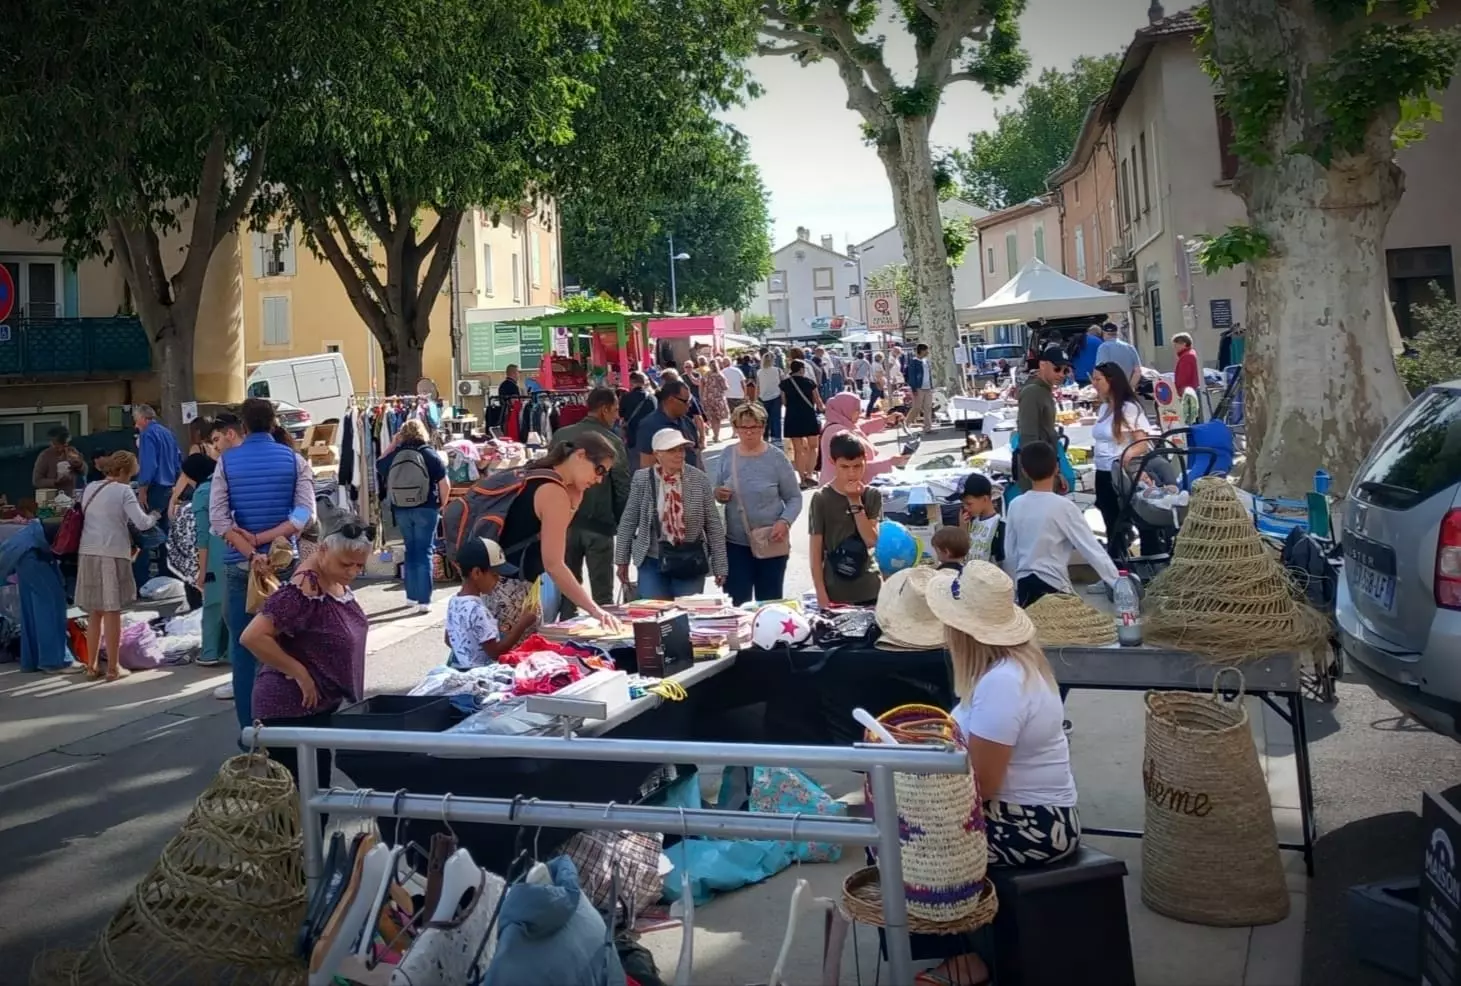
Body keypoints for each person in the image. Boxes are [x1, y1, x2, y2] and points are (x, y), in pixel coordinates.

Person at [921, 561, 1080, 986]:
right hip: (1038, 815)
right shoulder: (1010, 671)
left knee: (907, 844)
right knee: (905, 832)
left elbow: (983, 785)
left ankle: (962, 958)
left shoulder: (1001, 684)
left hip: (1034, 824)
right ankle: (961, 952)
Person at [240, 511, 372, 795]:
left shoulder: (329, 581)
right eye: (346, 564)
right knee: (304, 809)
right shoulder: (303, 589)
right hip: (290, 711)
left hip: (316, 711)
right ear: (323, 550)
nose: (352, 572)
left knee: (313, 801)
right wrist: (299, 672)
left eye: (359, 566)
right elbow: (252, 637)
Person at [210, 397, 318, 722]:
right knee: (286, 647)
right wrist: (268, 539)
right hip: (284, 566)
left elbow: (218, 521)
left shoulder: (226, 463)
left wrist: (250, 550)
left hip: (241, 566)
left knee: (244, 651)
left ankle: (250, 733)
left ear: (242, 427)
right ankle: (287, 724)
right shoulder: (294, 460)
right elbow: (304, 515)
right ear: (274, 424)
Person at [495, 431, 625, 630]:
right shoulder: (554, 493)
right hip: (511, 593)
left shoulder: (538, 475)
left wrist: (574, 502)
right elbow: (554, 565)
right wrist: (595, 610)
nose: (599, 479)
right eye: (599, 470)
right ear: (580, 455)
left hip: (498, 586)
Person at [76, 451, 160, 680]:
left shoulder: (91, 487)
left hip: (87, 552)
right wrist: (154, 516)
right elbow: (142, 524)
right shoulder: (124, 491)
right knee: (113, 612)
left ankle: (91, 666)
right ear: (125, 471)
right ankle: (113, 668)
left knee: (95, 611)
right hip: (112, 552)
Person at [1004, 441, 1119, 607]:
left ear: (1024, 472)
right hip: (1054, 584)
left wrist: (1013, 590)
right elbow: (1090, 548)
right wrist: (1116, 581)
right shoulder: (1064, 507)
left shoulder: (1015, 504)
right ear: (1057, 467)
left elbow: (1010, 552)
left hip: (1023, 585)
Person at [616, 429, 727, 600]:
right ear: (657, 454)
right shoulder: (642, 478)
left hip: (690, 560)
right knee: (654, 617)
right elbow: (629, 519)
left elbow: (713, 524)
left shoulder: (698, 479)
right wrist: (622, 560)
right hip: (652, 560)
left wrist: (720, 565)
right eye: (672, 450)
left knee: (687, 614)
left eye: (681, 449)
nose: (679, 455)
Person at [710, 402, 802, 605]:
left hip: (771, 540)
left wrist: (784, 522)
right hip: (735, 544)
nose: (749, 433)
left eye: (754, 428)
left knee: (769, 604)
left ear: (763, 427)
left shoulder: (776, 458)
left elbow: (794, 497)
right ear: (736, 428)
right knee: (737, 603)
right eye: (744, 428)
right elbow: (716, 490)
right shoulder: (727, 454)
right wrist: (719, 493)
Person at [552, 388, 630, 613]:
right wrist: (623, 527)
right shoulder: (612, 442)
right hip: (599, 524)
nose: (617, 416)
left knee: (567, 591)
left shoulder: (561, 435)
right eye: (615, 410)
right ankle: (604, 641)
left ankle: (566, 639)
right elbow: (622, 487)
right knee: (603, 596)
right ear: (604, 409)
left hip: (563, 523)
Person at [377, 419, 450, 614]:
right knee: (425, 550)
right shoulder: (428, 454)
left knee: (410, 550)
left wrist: (393, 444)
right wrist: (440, 504)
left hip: (401, 508)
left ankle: (411, 597)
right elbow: (445, 484)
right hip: (426, 508)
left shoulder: (395, 455)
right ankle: (424, 600)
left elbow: (379, 465)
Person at [0, 510, 79, 674]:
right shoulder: (89, 529)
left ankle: (33, 660)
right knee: (51, 606)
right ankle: (54, 661)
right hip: (32, 552)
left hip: (22, 550)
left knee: (32, 609)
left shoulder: (80, 519)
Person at [1091, 361, 1157, 560]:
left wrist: (1127, 455)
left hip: (1121, 471)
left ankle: (1135, 561)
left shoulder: (1129, 408)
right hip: (1102, 471)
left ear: (1111, 380)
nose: (1094, 383)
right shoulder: (1104, 409)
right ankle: (1117, 565)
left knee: (1126, 517)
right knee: (1109, 518)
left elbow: (1142, 443)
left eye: (1098, 379)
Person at [809, 434, 883, 608]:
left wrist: (855, 501)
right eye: (845, 467)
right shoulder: (821, 498)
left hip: (869, 587)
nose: (852, 473)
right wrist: (820, 592)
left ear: (865, 460)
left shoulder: (872, 495)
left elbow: (871, 540)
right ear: (833, 462)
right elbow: (815, 550)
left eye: (857, 466)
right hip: (836, 589)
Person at [445, 537, 533, 668]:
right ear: (477, 573)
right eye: (494, 575)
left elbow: (448, 639)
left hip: (460, 668)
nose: (498, 580)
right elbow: (495, 652)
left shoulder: (454, 602)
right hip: (480, 675)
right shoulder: (478, 610)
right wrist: (522, 624)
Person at [186, 453, 229, 668]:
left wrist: (201, 571)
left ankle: (210, 652)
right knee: (234, 603)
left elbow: (203, 536)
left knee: (213, 604)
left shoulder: (202, 493)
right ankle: (230, 651)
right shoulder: (227, 483)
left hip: (215, 554)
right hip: (238, 548)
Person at [132, 403, 182, 588]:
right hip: (169, 487)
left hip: (154, 487)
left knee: (145, 533)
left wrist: (142, 490)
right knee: (167, 534)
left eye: (137, 421)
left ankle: (142, 581)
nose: (136, 426)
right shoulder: (167, 433)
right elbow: (178, 460)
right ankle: (168, 576)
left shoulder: (147, 434)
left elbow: (149, 464)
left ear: (144, 419)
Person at [818, 392, 908, 485]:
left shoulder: (842, 424)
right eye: (856, 409)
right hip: (840, 491)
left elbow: (861, 427)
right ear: (844, 410)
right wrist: (888, 463)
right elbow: (854, 465)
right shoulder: (836, 433)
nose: (860, 413)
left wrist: (886, 420)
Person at [1015, 346, 1067, 492]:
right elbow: (1028, 437)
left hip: (1045, 469)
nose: (1062, 374)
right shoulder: (1033, 392)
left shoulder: (1044, 390)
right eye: (1057, 369)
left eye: (1065, 370)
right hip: (1038, 474)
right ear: (1043, 365)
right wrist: (1042, 478)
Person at [634, 379, 699, 470]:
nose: (689, 405)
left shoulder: (687, 422)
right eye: (686, 401)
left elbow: (696, 456)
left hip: (692, 481)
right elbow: (647, 464)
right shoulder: (649, 426)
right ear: (671, 400)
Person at [781, 359, 825, 486]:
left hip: (792, 417)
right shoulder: (809, 382)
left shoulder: (784, 383)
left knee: (798, 449)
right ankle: (810, 474)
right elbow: (818, 401)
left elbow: (784, 402)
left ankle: (802, 479)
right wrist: (824, 409)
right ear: (801, 369)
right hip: (808, 416)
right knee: (813, 446)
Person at [959, 473, 1005, 564]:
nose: (965, 508)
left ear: (985, 499)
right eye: (963, 504)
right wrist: (963, 529)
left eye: (969, 504)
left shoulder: (999, 525)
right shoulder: (971, 522)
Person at [32, 426, 86, 497]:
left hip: (70, 496)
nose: (61, 449)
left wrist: (79, 465)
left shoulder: (72, 451)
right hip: (52, 498)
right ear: (52, 443)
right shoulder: (44, 456)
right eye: (57, 447)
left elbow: (84, 471)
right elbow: (37, 481)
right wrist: (55, 481)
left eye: (64, 446)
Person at [1095, 323, 1142, 389]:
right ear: (1117, 333)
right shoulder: (1130, 347)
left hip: (1112, 390)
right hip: (1127, 389)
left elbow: (1100, 371)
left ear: (1103, 333)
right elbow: (1138, 371)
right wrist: (1130, 387)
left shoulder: (1103, 347)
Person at [696, 355, 729, 443]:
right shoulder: (720, 375)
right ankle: (716, 436)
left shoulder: (706, 375)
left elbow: (701, 386)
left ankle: (714, 433)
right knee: (718, 418)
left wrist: (702, 396)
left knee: (712, 417)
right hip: (718, 398)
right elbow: (725, 387)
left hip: (707, 398)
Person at [904, 343, 935, 436]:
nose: (928, 352)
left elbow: (928, 375)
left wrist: (931, 386)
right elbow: (912, 376)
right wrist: (913, 388)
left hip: (928, 387)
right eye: (926, 350)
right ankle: (906, 423)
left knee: (928, 407)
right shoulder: (914, 361)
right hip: (918, 388)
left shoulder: (926, 361)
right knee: (917, 407)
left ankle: (927, 428)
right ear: (921, 351)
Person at [620, 371, 654, 456]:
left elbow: (621, 415)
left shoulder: (626, 397)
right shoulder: (652, 398)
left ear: (631, 382)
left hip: (633, 438)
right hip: (651, 438)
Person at [754, 353, 785, 444]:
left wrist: (756, 399)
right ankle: (776, 438)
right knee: (776, 418)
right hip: (776, 396)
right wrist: (783, 398)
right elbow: (782, 385)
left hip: (762, 397)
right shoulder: (778, 370)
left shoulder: (759, 372)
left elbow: (758, 386)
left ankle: (765, 437)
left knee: (764, 419)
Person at [1172, 331, 1202, 403]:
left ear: (1184, 344)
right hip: (1191, 391)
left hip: (1187, 393)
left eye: (1176, 345)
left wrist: (1177, 391)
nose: (1174, 348)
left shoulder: (1186, 357)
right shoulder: (1190, 354)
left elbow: (1183, 379)